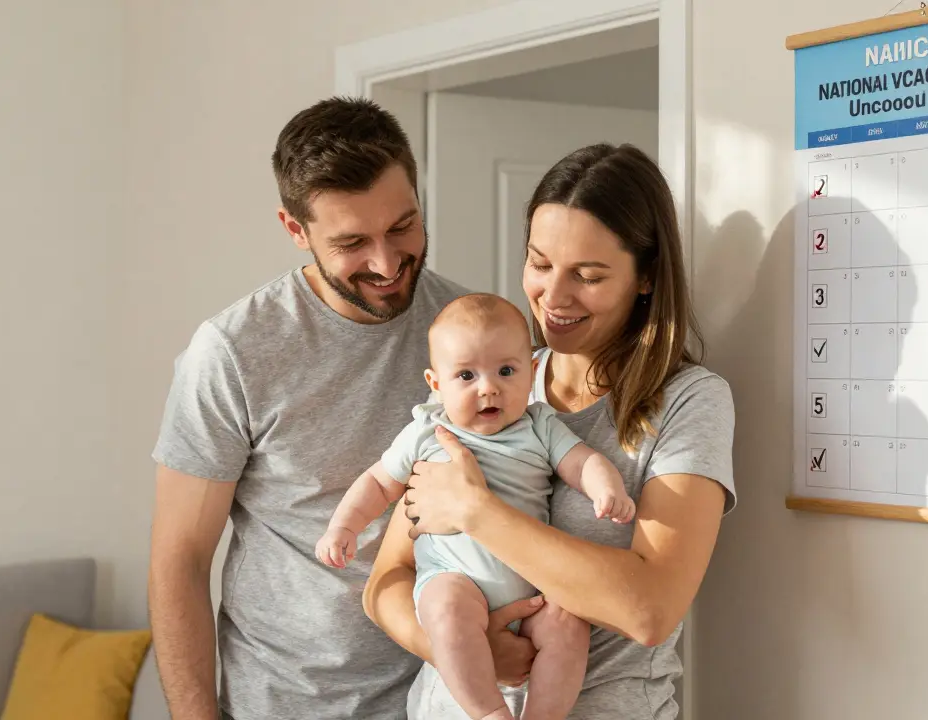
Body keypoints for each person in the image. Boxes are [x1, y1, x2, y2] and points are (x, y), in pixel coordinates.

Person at [363, 143, 738, 720]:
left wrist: (477, 511)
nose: (553, 298)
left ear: (645, 277)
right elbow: (386, 582)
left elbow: (649, 611)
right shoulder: (482, 383)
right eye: (539, 264)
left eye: (587, 276)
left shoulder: (689, 401)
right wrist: (463, 649)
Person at [147, 96, 488, 720]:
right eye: (352, 242)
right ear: (295, 230)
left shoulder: (476, 333)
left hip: (449, 699)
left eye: (403, 226)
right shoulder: (233, 351)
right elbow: (180, 561)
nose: (386, 263)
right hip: (286, 703)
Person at [315, 292, 635, 720]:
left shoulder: (539, 426)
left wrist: (605, 487)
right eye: (466, 375)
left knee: (568, 624)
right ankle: (489, 713)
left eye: (506, 371)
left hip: (533, 589)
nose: (488, 387)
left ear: (531, 371)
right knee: (446, 611)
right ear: (436, 384)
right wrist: (343, 527)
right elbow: (377, 481)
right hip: (454, 577)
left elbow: (581, 461)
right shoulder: (427, 432)